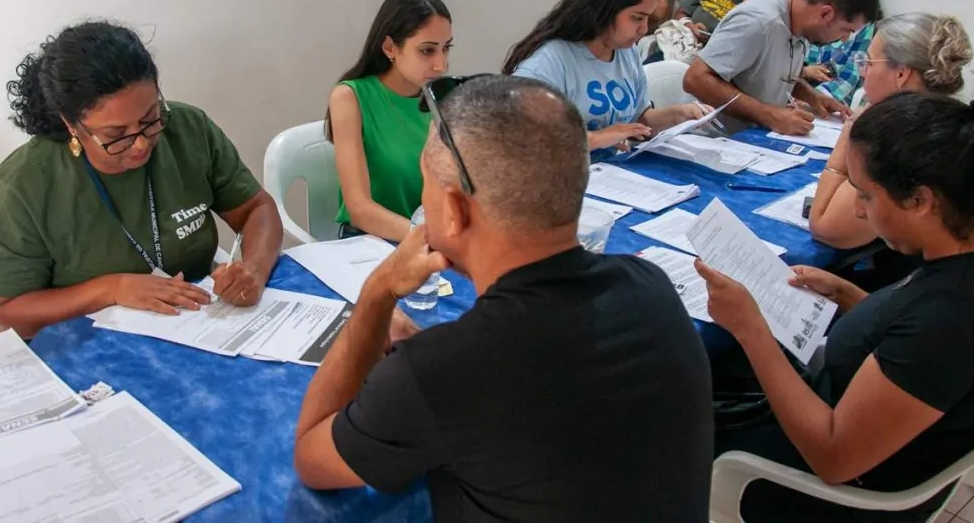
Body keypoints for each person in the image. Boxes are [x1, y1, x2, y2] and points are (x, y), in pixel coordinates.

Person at [293, 75, 714, 522]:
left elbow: (311, 457)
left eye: (425, 185)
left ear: (453, 212)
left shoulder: (440, 372)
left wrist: (377, 293)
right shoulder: (650, 286)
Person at [698, 91, 974, 522]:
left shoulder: (953, 316)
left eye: (866, 196)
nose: (857, 208)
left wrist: (750, 329)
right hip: (859, 421)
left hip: (823, 491)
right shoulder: (963, 261)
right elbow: (908, 345)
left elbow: (833, 457)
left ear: (921, 200)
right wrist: (851, 297)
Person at [0, 21, 283, 338]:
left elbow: (255, 208)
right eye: (116, 135)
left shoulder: (189, 129)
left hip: (197, 326)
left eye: (150, 119)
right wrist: (111, 289)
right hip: (89, 343)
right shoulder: (24, 185)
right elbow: (7, 310)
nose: (141, 143)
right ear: (72, 125)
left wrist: (254, 268)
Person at [502, 0, 704, 156]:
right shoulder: (549, 62)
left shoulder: (627, 52)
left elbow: (637, 122)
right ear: (604, 10)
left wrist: (679, 114)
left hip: (609, 176)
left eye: (647, 18)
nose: (644, 29)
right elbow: (522, 137)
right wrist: (596, 139)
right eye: (636, 18)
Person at [810, 13, 973, 249]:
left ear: (901, 74)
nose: (863, 72)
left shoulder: (898, 138)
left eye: (868, 63)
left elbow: (826, 227)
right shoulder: (954, 117)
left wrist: (849, 133)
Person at [683, 0, 880, 134]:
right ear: (825, 14)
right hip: (712, 139)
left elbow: (768, 74)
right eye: (846, 30)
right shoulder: (758, 21)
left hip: (753, 139)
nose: (844, 39)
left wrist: (813, 97)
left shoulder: (798, 25)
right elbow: (696, 79)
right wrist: (769, 115)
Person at [325, 0, 452, 241]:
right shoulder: (350, 98)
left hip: (431, 242)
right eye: (427, 50)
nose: (441, 64)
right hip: (370, 243)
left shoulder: (444, 97)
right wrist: (428, 239)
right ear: (390, 48)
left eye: (446, 48)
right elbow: (359, 209)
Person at [802, 0, 880, 105]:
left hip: (832, 99)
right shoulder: (809, 14)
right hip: (801, 90)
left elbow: (848, 78)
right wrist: (804, 71)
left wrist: (811, 99)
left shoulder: (860, 24)